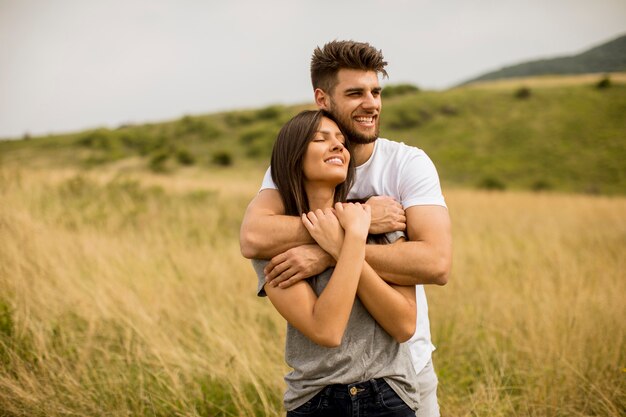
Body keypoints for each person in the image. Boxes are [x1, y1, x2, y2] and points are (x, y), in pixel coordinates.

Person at [240, 40, 452, 417]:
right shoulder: (289, 168)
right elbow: (254, 237)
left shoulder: (407, 164)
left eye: (375, 92)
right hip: (319, 391)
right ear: (322, 98)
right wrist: (356, 222)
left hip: (404, 372)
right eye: (355, 93)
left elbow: (436, 264)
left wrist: (328, 251)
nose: (370, 103)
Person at [252, 109, 420, 416]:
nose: (338, 146)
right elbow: (327, 330)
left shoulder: (382, 222)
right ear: (293, 157)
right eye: (320, 139)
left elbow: (404, 325)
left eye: (341, 141)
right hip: (316, 400)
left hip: (388, 394)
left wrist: (343, 246)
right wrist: (353, 237)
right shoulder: (275, 247)